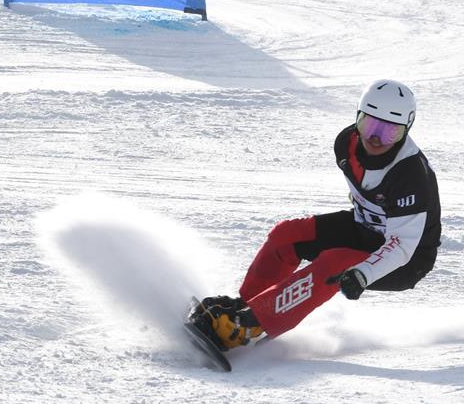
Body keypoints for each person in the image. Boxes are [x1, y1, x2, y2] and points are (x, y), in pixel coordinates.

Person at [189, 80, 442, 351]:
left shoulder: (410, 175)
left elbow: (402, 245)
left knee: (335, 264)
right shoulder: (346, 144)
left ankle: (250, 325)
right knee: (286, 236)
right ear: (357, 116)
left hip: (407, 258)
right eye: (369, 125)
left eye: (390, 132)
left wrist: (364, 274)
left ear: (407, 130)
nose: (375, 139)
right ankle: (247, 309)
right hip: (365, 229)